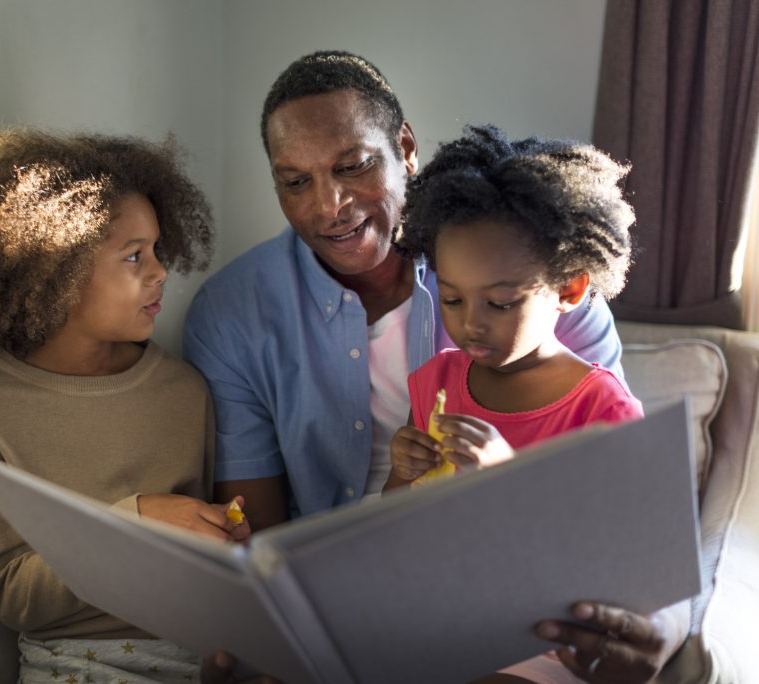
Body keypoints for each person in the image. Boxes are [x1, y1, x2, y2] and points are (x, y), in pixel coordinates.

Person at [183, 52, 689, 682]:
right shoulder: (233, 315)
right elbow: (256, 536)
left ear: (405, 148)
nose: (328, 205)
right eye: (295, 181)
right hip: (364, 595)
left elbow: (631, 527)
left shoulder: (537, 274)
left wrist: (665, 628)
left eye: (353, 166)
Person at [0, 129, 248, 684]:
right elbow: (12, 596)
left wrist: (220, 542)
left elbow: (197, 564)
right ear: (56, 269)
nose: (160, 272)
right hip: (70, 666)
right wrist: (136, 519)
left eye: (157, 249)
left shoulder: (183, 391)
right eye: (134, 256)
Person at [384, 124, 688, 682]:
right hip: (439, 616)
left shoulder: (601, 408)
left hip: (536, 642)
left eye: (500, 303)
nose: (469, 323)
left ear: (570, 288)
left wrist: (509, 481)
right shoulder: (435, 380)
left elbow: (622, 563)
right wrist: (405, 472)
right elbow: (399, 519)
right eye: (451, 297)